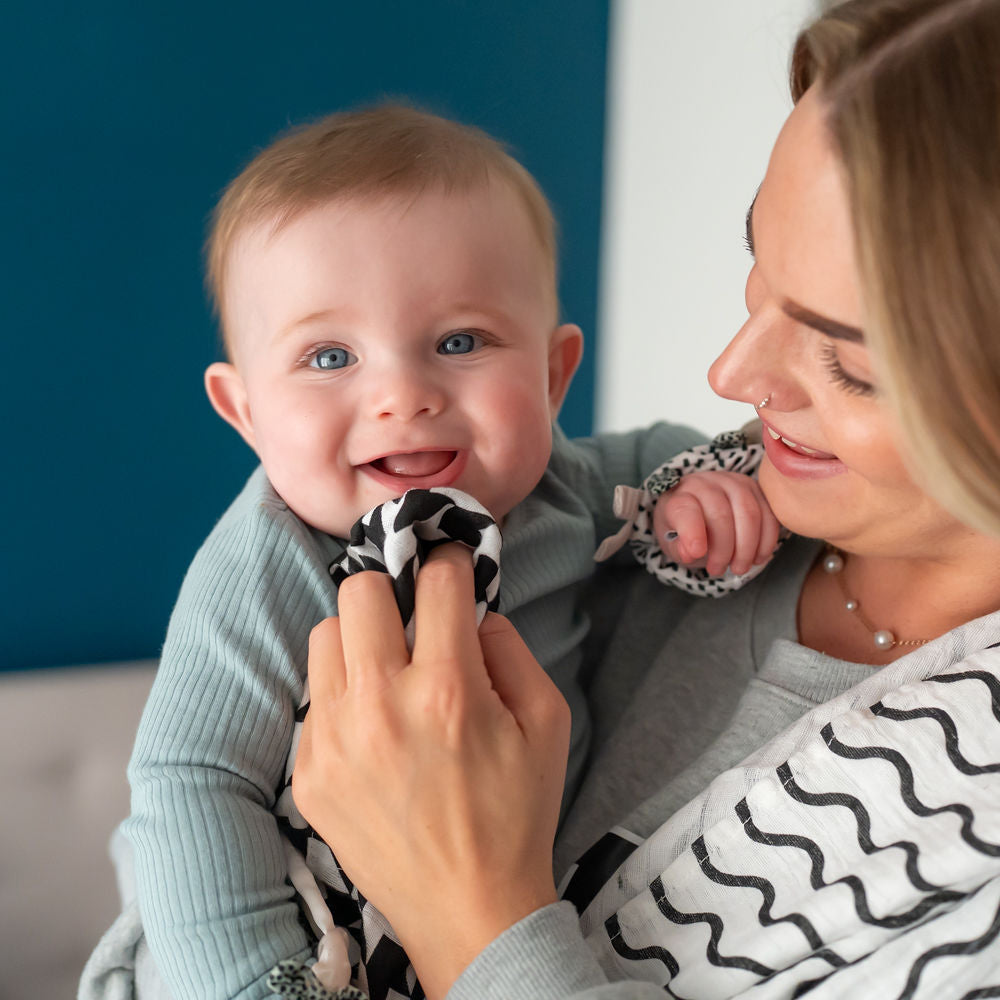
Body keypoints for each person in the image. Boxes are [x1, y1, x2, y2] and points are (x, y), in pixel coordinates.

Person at [292, 2, 1000, 998]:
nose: (730, 372)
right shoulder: (634, 522)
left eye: (847, 360)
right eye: (757, 269)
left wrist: (469, 914)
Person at [80, 105, 780, 1000]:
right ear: (244, 410)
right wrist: (254, 983)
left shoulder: (570, 488)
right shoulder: (267, 563)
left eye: (459, 342)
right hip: (270, 954)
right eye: (330, 355)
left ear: (554, 374)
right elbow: (190, 782)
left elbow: (686, 460)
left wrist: (701, 496)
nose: (403, 394)